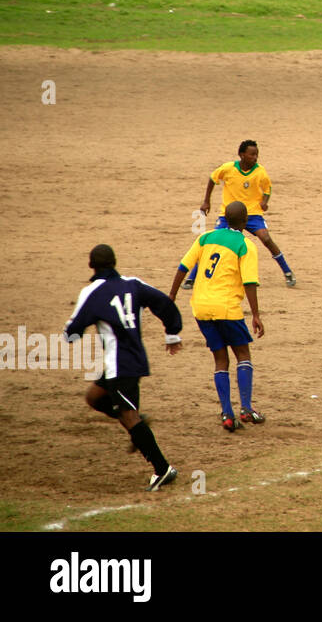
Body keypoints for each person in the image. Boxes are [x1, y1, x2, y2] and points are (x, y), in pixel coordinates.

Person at [65, 244, 183, 491]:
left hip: (121, 365)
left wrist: (72, 334)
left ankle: (162, 469)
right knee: (94, 397)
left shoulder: (92, 292)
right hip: (131, 360)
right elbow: (164, 302)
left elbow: (73, 330)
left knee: (129, 417)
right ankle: (139, 426)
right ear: (115, 262)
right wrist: (172, 333)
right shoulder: (133, 284)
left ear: (91, 266)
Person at [170, 201, 266, 432]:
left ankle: (227, 414)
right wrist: (255, 314)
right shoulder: (245, 245)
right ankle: (246, 408)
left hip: (200, 308)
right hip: (226, 308)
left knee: (220, 359)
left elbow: (184, 266)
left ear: (225, 218)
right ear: (244, 222)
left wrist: (171, 295)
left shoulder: (205, 237)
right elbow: (250, 282)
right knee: (243, 354)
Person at [185, 140, 295, 289]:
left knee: (266, 238)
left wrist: (265, 201)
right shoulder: (228, 168)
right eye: (252, 154)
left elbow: (267, 189)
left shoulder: (260, 171)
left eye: (257, 154)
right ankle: (192, 277)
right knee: (212, 242)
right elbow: (212, 179)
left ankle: (287, 272)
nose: (255, 157)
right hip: (228, 215)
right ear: (242, 155)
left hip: (252, 215)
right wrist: (206, 202)